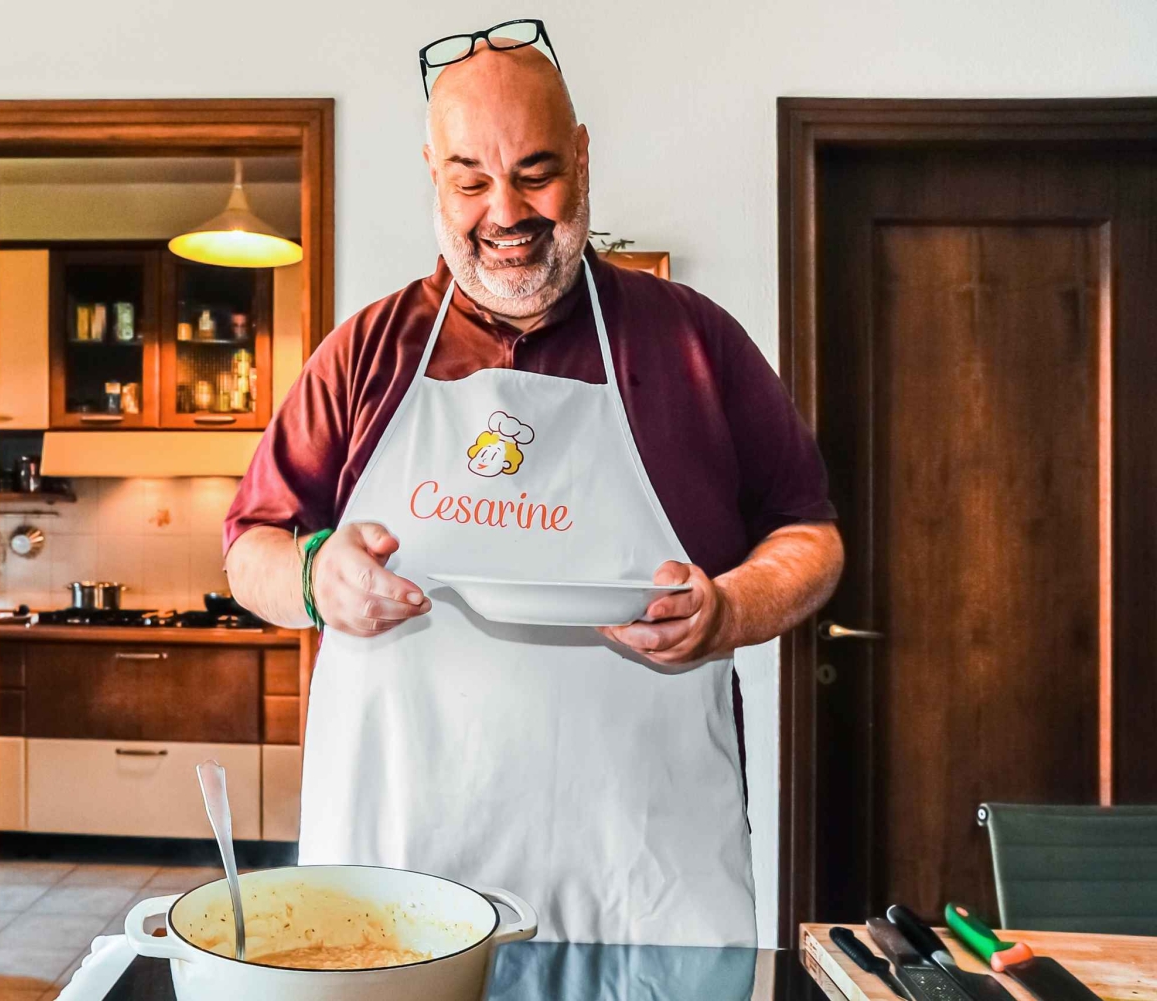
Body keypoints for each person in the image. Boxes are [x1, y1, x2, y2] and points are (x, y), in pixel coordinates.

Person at [223, 20, 843, 946]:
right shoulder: (364, 352)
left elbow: (809, 535)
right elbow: (250, 549)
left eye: (536, 171)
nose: (505, 212)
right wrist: (314, 576)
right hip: (402, 870)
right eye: (471, 180)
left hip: (645, 880)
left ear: (583, 156)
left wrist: (730, 609)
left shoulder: (693, 342)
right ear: (433, 174)